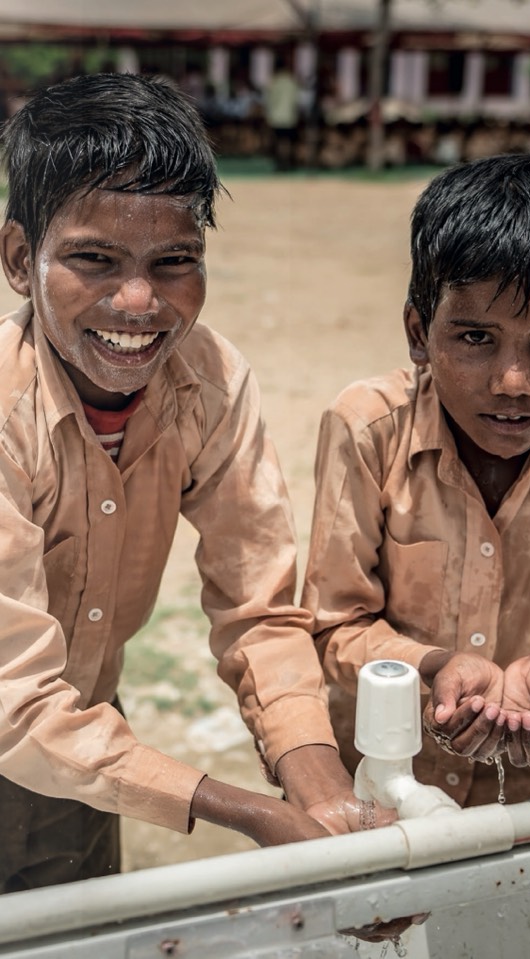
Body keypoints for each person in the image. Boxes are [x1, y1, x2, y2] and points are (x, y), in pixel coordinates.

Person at [0, 72, 391, 895]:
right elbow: (16, 700)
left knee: (76, 932)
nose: (138, 301)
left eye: (174, 261)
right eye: (94, 259)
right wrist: (249, 811)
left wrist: (322, 796)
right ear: (18, 260)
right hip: (35, 716)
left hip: (80, 746)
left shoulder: (209, 383)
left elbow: (258, 611)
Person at [302, 153, 530, 808]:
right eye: (476, 336)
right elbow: (332, 625)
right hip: (385, 783)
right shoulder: (369, 428)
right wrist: (433, 668)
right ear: (419, 333)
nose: (513, 382)